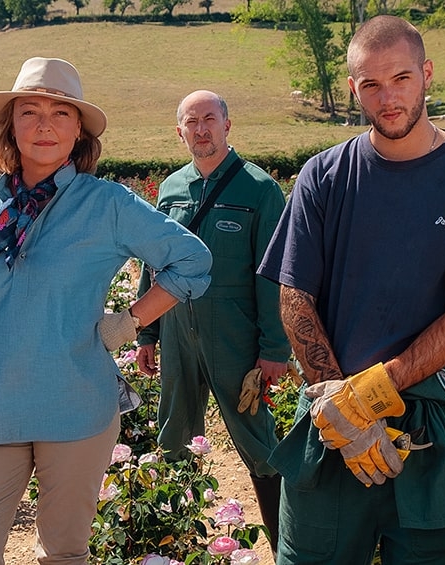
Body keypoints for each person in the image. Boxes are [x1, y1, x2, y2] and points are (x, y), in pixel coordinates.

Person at [0, 57, 212, 565]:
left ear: (78, 130)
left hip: (77, 405)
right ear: (9, 126)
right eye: (29, 111)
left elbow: (192, 259)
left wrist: (128, 322)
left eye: (61, 113)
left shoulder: (105, 203)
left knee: (62, 554)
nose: (44, 125)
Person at [258, 15, 445, 564]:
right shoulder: (323, 176)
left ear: (426, 75)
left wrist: (368, 396)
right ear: (354, 89)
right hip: (330, 427)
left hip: (430, 427)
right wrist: (338, 403)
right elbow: (294, 296)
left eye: (400, 78)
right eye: (371, 85)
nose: (388, 98)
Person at [135, 89, 291, 556]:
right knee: (174, 434)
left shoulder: (259, 189)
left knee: (257, 440)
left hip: (235, 334)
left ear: (227, 124)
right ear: (179, 131)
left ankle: (288, 544)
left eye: (209, 119)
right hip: (179, 331)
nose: (201, 129)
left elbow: (274, 276)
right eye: (191, 122)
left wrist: (273, 349)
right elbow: (153, 263)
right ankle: (175, 544)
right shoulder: (171, 189)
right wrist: (146, 332)